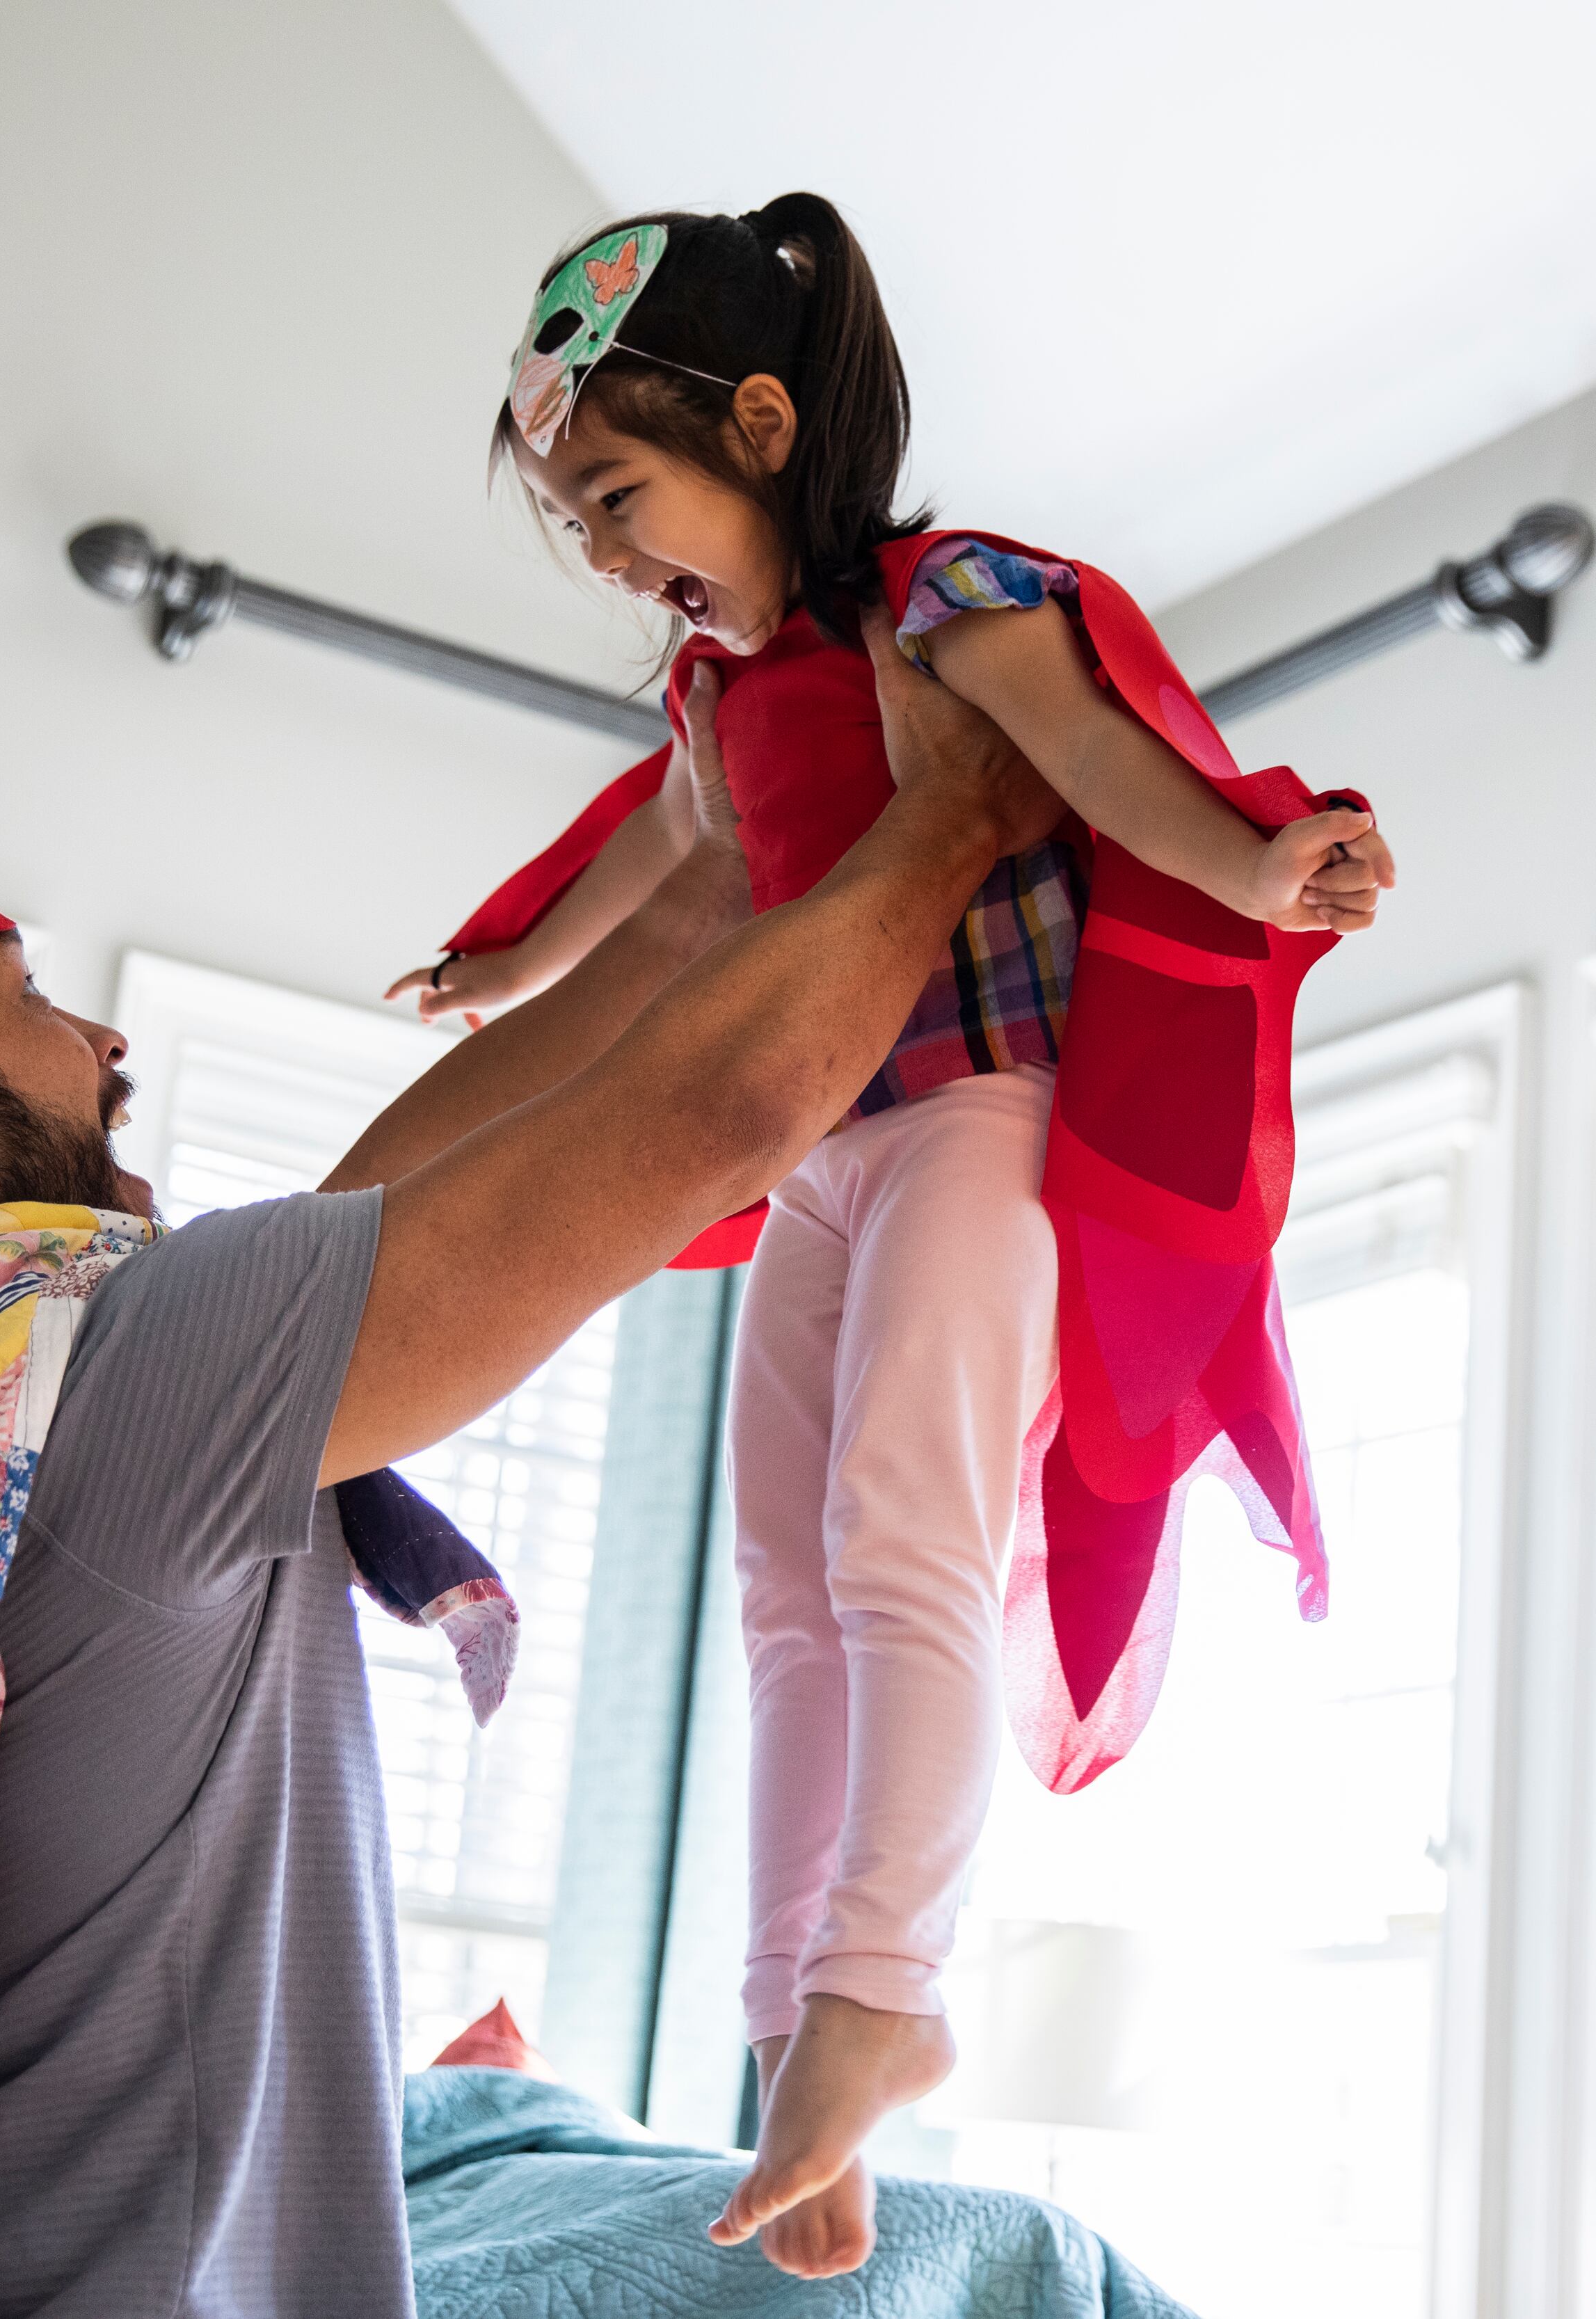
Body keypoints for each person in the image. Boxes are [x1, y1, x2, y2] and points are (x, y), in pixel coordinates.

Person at [0, 634, 1064, 2319]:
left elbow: (406, 1187)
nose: (99, 1041)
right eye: (23, 999)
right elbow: (729, 1103)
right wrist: (955, 810)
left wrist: (711, 864)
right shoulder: (106, 1357)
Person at [422, 195, 1396, 2277]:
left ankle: (888, 1978)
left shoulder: (944, 605)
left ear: (762, 422)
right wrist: (501, 976)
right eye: (577, 517)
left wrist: (1266, 851)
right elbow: (651, 861)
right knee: (781, 1581)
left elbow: (1109, 763)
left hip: (983, 1109)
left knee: (905, 1535)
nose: (606, 551)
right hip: (826, 1146)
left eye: (619, 492)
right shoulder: (719, 687)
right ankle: (793, 2026)